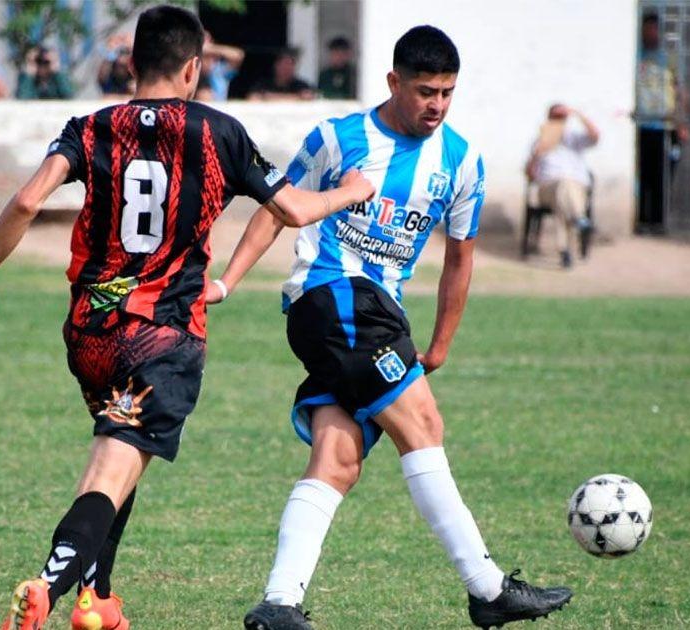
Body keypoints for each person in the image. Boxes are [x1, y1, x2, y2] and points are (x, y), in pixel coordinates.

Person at [0, 6, 373, 630]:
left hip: (92, 333)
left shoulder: (91, 126)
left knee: (119, 454)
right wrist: (350, 191)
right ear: (193, 69)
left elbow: (25, 200)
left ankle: (96, 602)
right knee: (110, 467)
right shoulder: (220, 132)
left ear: (131, 64)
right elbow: (292, 209)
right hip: (164, 337)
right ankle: (47, 585)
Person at [211, 25, 573, 630]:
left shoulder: (460, 162)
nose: (436, 104)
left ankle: (278, 605)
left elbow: (461, 256)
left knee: (338, 456)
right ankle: (487, 589)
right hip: (334, 295)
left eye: (447, 93)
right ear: (394, 82)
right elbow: (276, 211)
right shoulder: (338, 139)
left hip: (378, 311)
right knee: (423, 423)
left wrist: (440, 344)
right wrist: (226, 282)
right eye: (425, 90)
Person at [525, 104, 599, 268]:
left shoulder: (574, 138)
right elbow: (530, 174)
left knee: (563, 200)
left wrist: (578, 113)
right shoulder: (539, 141)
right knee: (563, 188)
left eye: (562, 117)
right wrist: (536, 155)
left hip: (576, 189)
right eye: (556, 117)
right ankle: (580, 219)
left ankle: (564, 251)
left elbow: (595, 136)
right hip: (547, 188)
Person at [635, 12, 689, 234]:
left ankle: (658, 222)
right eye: (648, 28)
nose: (651, 33)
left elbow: (681, 92)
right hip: (640, 124)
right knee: (642, 176)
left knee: (661, 177)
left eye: (655, 29)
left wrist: (681, 122)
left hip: (664, 125)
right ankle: (641, 220)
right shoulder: (634, 55)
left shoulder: (669, 58)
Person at [248, 49, 314, 101]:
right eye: (284, 66)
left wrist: (269, 97)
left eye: (290, 66)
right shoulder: (263, 84)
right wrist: (296, 97)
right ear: (276, 66)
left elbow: (308, 97)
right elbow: (253, 98)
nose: (287, 69)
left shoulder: (301, 85)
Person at [196, 31, 244, 101]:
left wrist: (209, 49)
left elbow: (238, 56)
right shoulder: (190, 68)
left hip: (217, 108)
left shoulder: (218, 69)